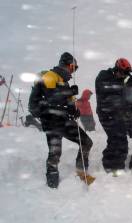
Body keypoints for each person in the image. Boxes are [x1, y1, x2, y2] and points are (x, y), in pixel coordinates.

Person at [28, 52, 93, 188]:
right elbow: (52, 98)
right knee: (58, 150)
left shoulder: (63, 81)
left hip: (62, 120)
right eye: (72, 67)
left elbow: (66, 102)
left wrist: (74, 110)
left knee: (84, 143)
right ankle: (54, 181)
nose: (72, 71)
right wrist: (70, 92)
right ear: (65, 64)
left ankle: (78, 172)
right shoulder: (50, 76)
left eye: (75, 68)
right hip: (52, 120)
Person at [95, 58, 132, 173]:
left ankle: (119, 165)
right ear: (116, 69)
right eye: (122, 73)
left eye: (125, 75)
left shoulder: (121, 82)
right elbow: (104, 88)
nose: (123, 76)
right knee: (115, 139)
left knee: (122, 140)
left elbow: (124, 98)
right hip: (105, 113)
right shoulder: (104, 75)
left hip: (117, 114)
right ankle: (108, 165)